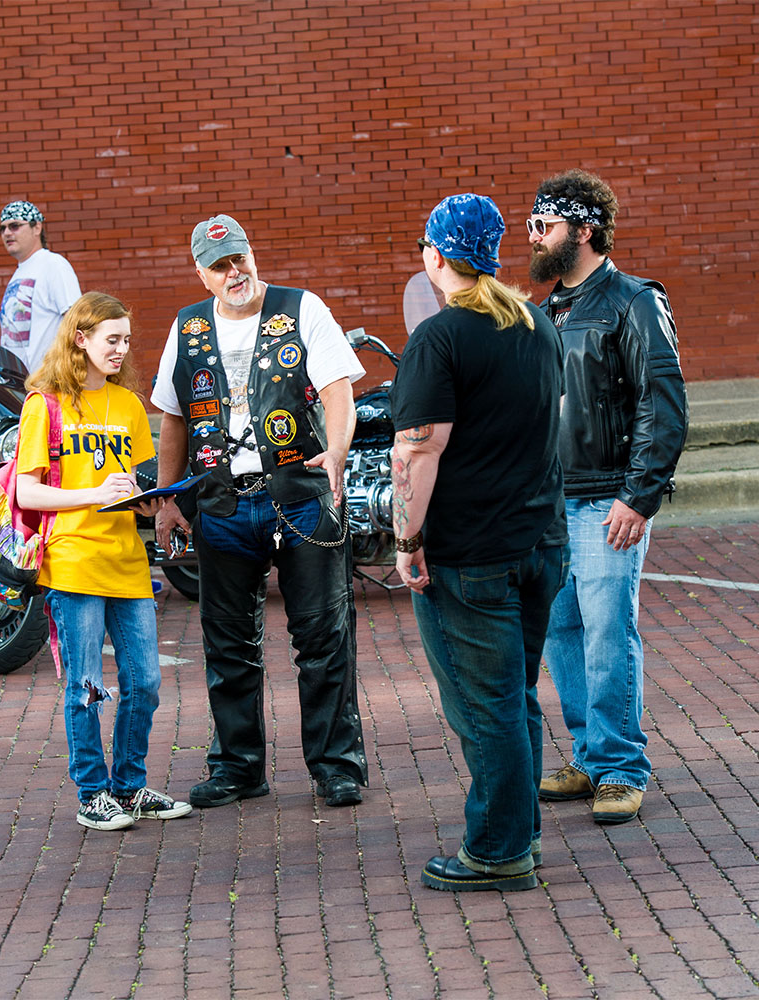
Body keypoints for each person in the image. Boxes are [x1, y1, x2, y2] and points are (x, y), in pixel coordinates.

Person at [151, 214, 368, 809]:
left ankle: (336, 766)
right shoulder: (187, 325)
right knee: (227, 642)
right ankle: (238, 767)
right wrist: (169, 499)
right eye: (219, 265)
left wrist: (339, 452)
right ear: (201, 272)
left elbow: (337, 392)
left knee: (323, 637)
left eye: (239, 258)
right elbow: (172, 416)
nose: (234, 271)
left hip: (300, 495)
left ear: (252, 254)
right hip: (223, 502)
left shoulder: (302, 308)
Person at [390, 193, 568, 892]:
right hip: (536, 541)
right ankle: (519, 833)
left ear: (436, 255)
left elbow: (420, 448)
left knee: (484, 706)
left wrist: (406, 540)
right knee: (515, 696)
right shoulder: (535, 323)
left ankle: (496, 851)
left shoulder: (441, 337)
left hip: (470, 555)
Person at [528, 169, 687, 824]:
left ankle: (622, 766)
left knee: (606, 634)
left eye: (546, 225)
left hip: (608, 502)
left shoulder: (634, 300)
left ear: (584, 230)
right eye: (532, 225)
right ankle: (591, 755)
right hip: (550, 505)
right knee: (562, 630)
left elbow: (664, 406)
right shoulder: (542, 313)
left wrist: (639, 495)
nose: (533, 236)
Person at [15, 291, 191, 831]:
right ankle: (93, 793)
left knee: (145, 683)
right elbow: (28, 493)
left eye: (126, 341)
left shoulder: (131, 406)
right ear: (81, 339)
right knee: (86, 684)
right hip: (73, 560)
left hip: (126, 559)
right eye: (111, 339)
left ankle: (130, 787)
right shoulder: (43, 404)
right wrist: (92, 493)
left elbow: (137, 484)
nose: (121, 349)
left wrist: (157, 500)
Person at [0, 200, 81, 372]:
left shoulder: (53, 265)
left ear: (37, 228)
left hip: (49, 382)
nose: (7, 233)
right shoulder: (20, 272)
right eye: (3, 228)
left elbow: (77, 321)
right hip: (20, 383)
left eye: (14, 226)